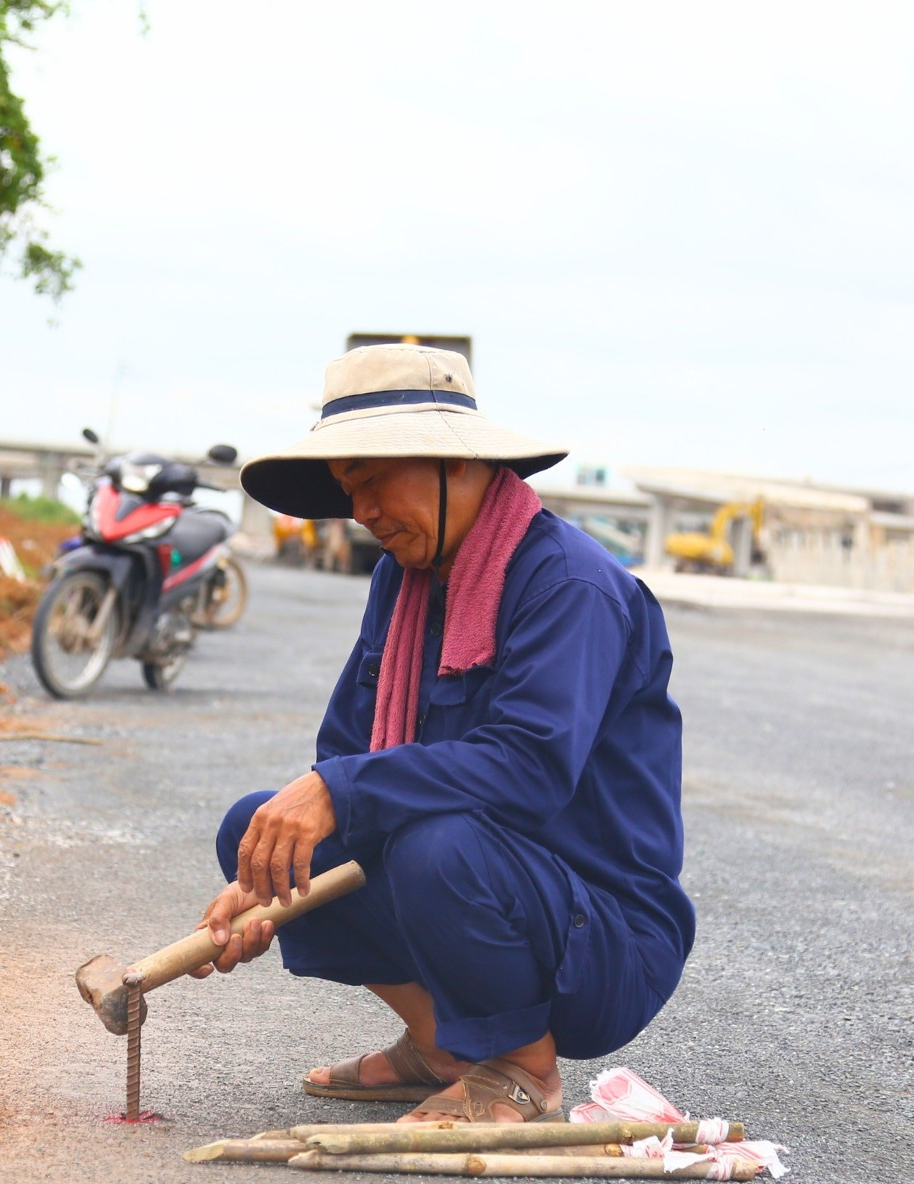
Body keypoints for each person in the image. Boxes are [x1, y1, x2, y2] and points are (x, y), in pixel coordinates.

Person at [191, 343, 694, 1124]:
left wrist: (339, 790)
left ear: (456, 463)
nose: (361, 511)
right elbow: (348, 756)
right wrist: (266, 886)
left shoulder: (570, 586)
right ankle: (446, 1047)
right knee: (261, 828)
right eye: (346, 488)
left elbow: (527, 767)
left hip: (603, 932)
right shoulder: (405, 577)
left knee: (433, 843)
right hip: (480, 883)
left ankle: (523, 1068)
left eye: (372, 480)